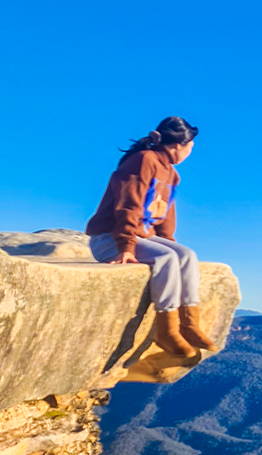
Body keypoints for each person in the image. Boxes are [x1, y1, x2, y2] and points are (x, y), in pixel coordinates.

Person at [86, 116, 217, 358]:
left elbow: (166, 216)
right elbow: (129, 204)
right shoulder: (143, 161)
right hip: (110, 238)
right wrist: (126, 247)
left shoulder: (171, 174)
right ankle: (166, 330)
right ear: (179, 145)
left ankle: (189, 324)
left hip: (142, 237)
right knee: (166, 258)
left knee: (186, 256)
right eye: (191, 146)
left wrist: (168, 241)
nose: (191, 150)